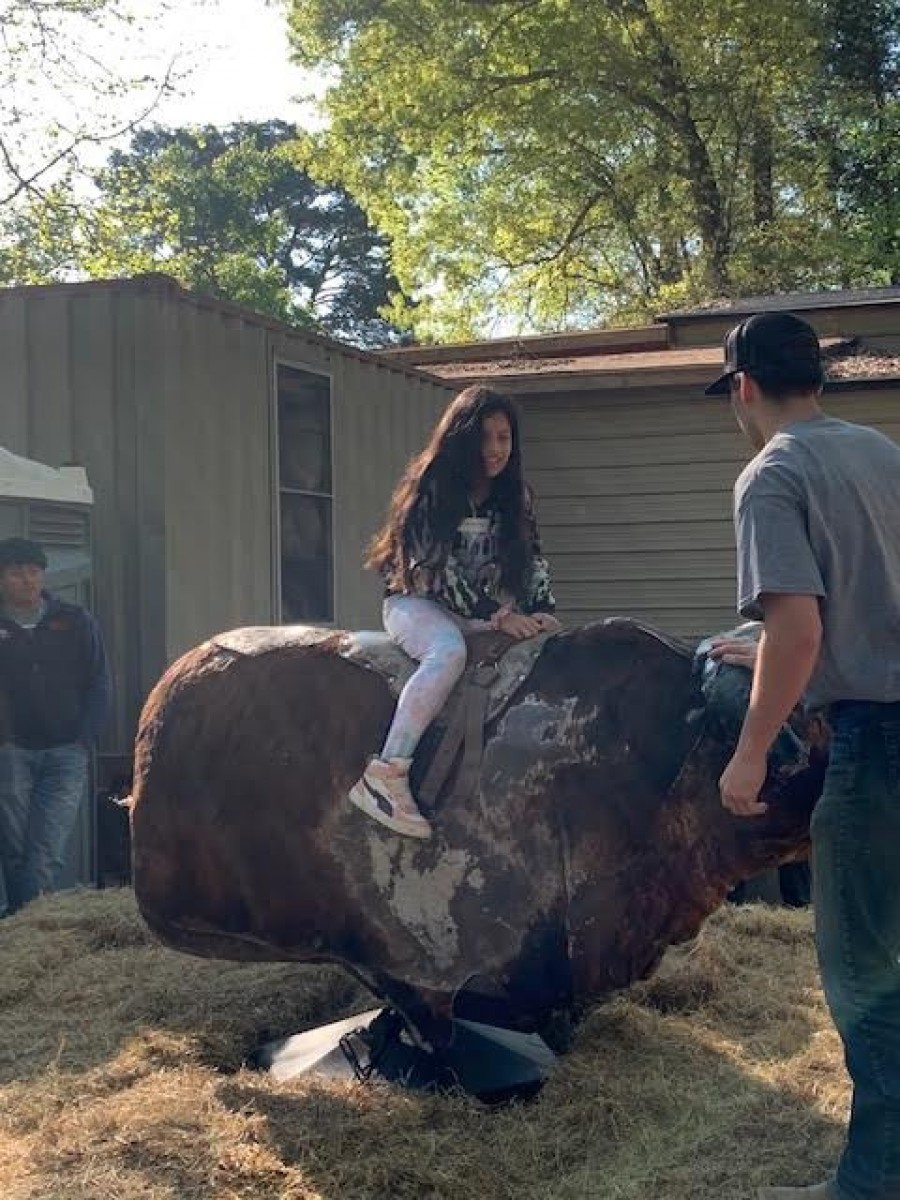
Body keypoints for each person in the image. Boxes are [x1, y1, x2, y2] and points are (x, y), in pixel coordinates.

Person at [706, 312, 900, 1200]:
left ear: (743, 386)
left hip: (877, 743)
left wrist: (749, 753)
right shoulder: (881, 454)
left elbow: (799, 628)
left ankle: (872, 1185)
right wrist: (776, 649)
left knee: (865, 976)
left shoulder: (772, 473)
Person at [349, 385, 560, 838]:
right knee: (447, 653)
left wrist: (542, 610)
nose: (495, 449)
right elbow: (435, 572)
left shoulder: (516, 496)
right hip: (416, 602)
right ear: (461, 438)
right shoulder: (433, 488)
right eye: (484, 438)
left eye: (504, 438)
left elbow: (533, 558)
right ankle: (387, 771)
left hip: (478, 608)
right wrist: (499, 616)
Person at [0, 537, 111, 916]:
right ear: (2, 578)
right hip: (11, 753)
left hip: (66, 753)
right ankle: (26, 926)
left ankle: (25, 926)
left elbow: (99, 680)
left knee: (46, 847)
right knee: (13, 847)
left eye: (33, 571)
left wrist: (84, 739)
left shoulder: (75, 621)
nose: (27, 580)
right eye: (16, 572)